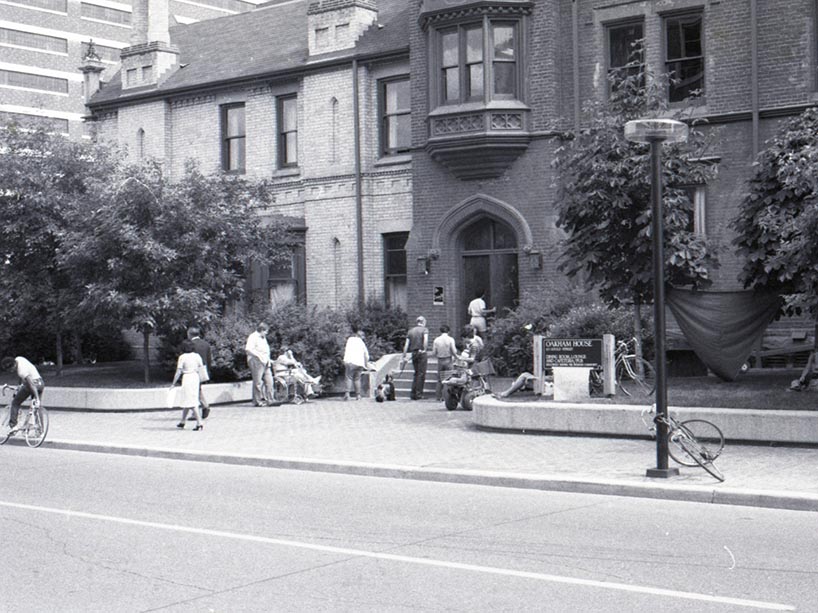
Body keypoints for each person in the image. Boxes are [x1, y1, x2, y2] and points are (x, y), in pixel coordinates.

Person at [170, 340, 205, 430]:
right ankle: (183, 421)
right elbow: (201, 367)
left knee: (191, 401)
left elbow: (178, 371)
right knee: (189, 399)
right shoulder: (197, 356)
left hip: (187, 378)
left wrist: (173, 383)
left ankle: (199, 422)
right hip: (195, 377)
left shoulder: (183, 357)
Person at [6, 356, 44, 432]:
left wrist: (36, 398)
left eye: (10, 369)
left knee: (15, 403)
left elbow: (31, 384)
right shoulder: (18, 359)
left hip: (33, 385)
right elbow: (22, 377)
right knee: (37, 407)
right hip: (41, 383)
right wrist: (20, 385)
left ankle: (13, 426)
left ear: (13, 365)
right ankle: (41, 430)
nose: (11, 371)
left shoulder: (21, 371)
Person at [245, 323, 274, 406]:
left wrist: (268, 360)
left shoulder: (263, 338)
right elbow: (248, 349)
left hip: (265, 361)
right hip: (256, 361)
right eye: (266, 331)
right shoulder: (253, 337)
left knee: (269, 381)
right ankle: (257, 401)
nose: (266, 333)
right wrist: (259, 356)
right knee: (257, 382)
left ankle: (270, 399)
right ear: (261, 330)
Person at [402, 315, 429, 400]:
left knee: (416, 373)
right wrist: (424, 349)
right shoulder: (424, 330)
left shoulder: (411, 331)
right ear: (423, 322)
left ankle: (413, 394)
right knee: (421, 374)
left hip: (414, 353)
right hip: (421, 353)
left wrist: (404, 355)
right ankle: (419, 394)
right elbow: (425, 340)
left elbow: (406, 344)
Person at [187, 327, 212, 419]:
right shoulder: (206, 344)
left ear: (189, 334)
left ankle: (198, 410)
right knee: (197, 389)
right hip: (203, 370)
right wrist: (208, 371)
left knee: (193, 391)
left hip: (193, 370)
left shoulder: (190, 345)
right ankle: (204, 406)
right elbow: (209, 359)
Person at [432, 324, 458, 402]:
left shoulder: (436, 340)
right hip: (448, 359)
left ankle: (438, 397)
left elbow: (434, 352)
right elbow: (454, 351)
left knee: (439, 379)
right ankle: (447, 396)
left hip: (440, 360)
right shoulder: (450, 339)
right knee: (449, 378)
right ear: (448, 331)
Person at [343, 324, 369, 401]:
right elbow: (366, 354)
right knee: (357, 379)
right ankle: (358, 395)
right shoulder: (361, 342)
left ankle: (347, 394)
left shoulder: (350, 340)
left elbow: (347, 351)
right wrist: (366, 363)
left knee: (349, 377)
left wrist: (345, 360)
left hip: (350, 362)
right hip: (360, 363)